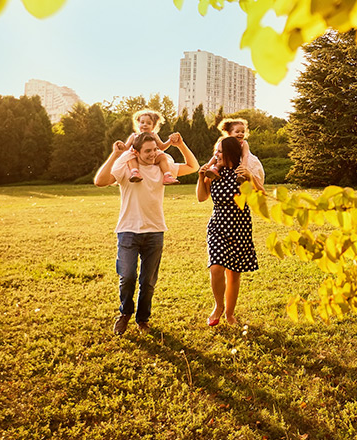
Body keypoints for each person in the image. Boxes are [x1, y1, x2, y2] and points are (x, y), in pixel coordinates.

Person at [95, 131, 199, 335]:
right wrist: (115, 155)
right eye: (148, 151)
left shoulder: (163, 168)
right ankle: (125, 313)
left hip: (155, 231)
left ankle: (142, 320)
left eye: (155, 150)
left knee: (148, 282)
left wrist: (181, 145)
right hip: (128, 231)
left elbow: (193, 167)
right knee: (127, 277)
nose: (153, 154)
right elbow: (100, 181)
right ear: (136, 151)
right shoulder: (126, 168)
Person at [196, 135, 263, 326]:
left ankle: (230, 314)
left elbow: (260, 196)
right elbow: (202, 198)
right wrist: (201, 177)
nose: (215, 155)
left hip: (239, 227)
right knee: (216, 267)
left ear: (230, 153)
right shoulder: (215, 172)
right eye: (215, 151)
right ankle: (218, 306)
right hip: (218, 225)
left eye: (219, 151)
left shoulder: (243, 172)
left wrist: (251, 179)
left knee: (233, 273)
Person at [117, 109, 182, 185]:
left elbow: (162, 147)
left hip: (152, 157)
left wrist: (170, 141)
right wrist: (121, 146)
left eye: (148, 123)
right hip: (136, 156)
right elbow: (126, 148)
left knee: (162, 157)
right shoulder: (134, 136)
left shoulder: (154, 135)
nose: (145, 124)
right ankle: (135, 172)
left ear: (153, 126)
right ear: (138, 124)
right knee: (130, 157)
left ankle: (167, 175)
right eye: (142, 122)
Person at [204, 117, 265, 186]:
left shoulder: (243, 143)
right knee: (219, 161)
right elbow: (216, 155)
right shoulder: (223, 142)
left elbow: (245, 155)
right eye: (237, 132)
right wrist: (208, 165)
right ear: (229, 133)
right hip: (226, 160)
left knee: (241, 169)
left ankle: (241, 176)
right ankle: (214, 170)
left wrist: (243, 165)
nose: (240, 134)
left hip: (242, 160)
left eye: (243, 132)